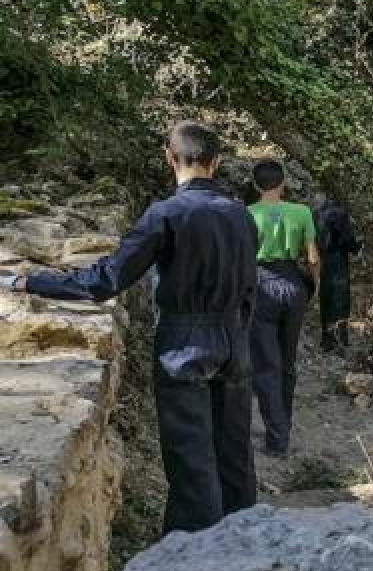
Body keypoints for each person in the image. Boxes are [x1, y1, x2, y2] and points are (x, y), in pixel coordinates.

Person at [0, 121, 258, 535]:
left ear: (169, 158)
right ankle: (250, 541)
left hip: (183, 342)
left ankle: (197, 560)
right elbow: (249, 286)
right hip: (234, 340)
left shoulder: (166, 214)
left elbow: (105, 280)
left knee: (192, 460)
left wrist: (29, 280)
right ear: (217, 161)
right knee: (235, 454)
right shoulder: (241, 215)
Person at [247, 160, 318, 458]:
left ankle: (277, 440)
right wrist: (314, 289)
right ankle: (284, 424)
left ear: (254, 185)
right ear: (283, 183)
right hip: (293, 285)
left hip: (261, 285)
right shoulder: (301, 212)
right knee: (288, 362)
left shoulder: (246, 215)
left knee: (266, 366)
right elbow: (312, 257)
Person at [314, 196, 362, 351]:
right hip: (338, 260)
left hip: (324, 260)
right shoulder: (339, 213)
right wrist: (356, 247)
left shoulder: (317, 211)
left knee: (326, 298)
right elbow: (347, 239)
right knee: (340, 299)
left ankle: (326, 339)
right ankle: (341, 339)